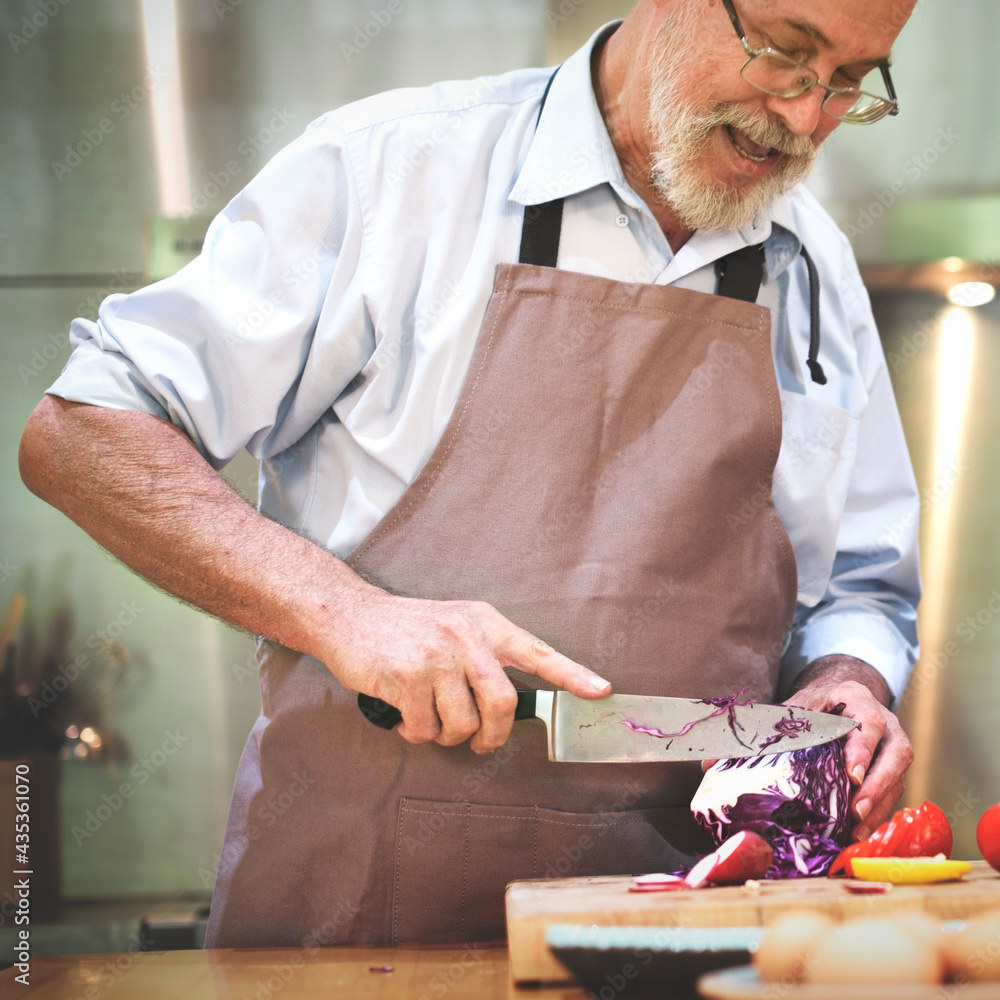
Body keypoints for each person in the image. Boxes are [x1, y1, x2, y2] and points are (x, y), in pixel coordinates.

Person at [20, 0, 920, 947]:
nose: (808, 115)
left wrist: (848, 676)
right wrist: (346, 611)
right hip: (358, 929)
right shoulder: (392, 172)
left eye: (853, 80)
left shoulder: (816, 268)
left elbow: (859, 579)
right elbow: (84, 429)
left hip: (687, 933)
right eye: (786, 52)